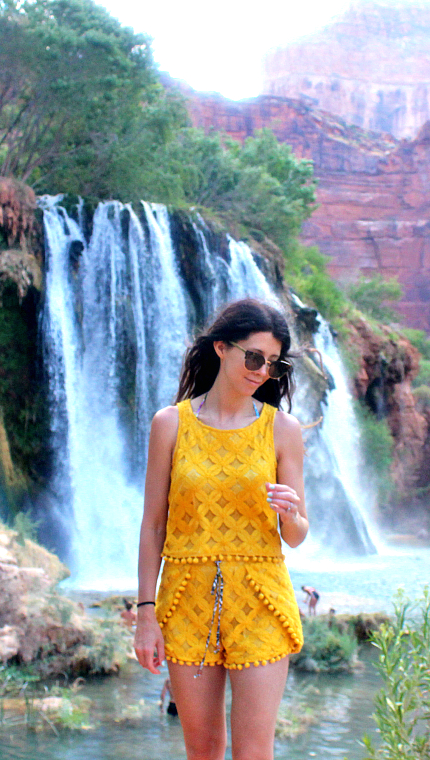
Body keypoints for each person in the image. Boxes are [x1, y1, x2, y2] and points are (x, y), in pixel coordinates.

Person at [134, 298, 309, 760]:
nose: (261, 371)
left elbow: (296, 534)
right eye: (253, 357)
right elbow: (153, 527)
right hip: (186, 595)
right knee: (204, 750)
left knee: (253, 752)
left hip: (260, 596)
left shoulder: (282, 430)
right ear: (220, 349)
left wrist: (291, 515)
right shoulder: (169, 424)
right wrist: (145, 614)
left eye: (273, 363)